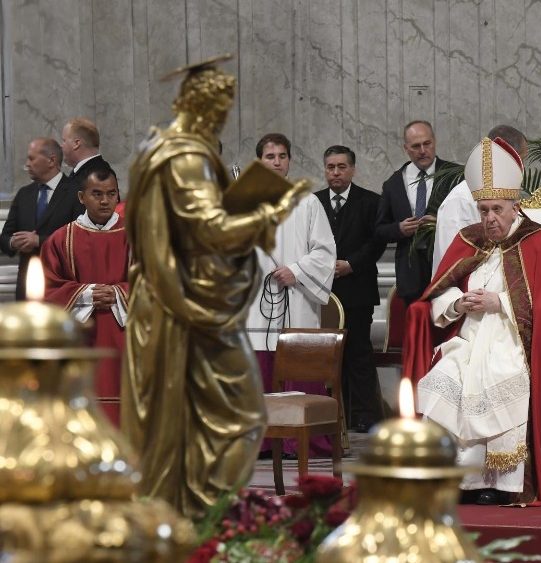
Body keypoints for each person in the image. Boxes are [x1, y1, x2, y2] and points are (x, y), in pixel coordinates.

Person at [122, 57, 310, 516]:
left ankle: (182, 507)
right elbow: (210, 229)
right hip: (182, 307)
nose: (223, 117)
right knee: (237, 412)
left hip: (169, 300)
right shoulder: (186, 158)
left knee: (178, 418)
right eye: (221, 109)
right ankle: (200, 511)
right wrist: (268, 211)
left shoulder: (158, 147)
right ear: (202, 106)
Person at [404, 138, 541, 506]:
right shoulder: (470, 240)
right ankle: (459, 480)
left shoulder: (538, 240)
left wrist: (500, 302)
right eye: (483, 210)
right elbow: (437, 292)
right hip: (468, 338)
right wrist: (458, 303)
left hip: (513, 341)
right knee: (446, 377)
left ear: (515, 206)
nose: (489, 219)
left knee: (497, 376)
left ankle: (500, 483)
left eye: (497, 209)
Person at [247, 133, 337, 455]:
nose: (276, 162)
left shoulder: (308, 202)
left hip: (296, 298)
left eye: (282, 156)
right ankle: (262, 441)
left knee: (296, 368)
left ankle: (299, 441)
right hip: (255, 304)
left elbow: (325, 252)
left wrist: (296, 271)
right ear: (259, 162)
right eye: (270, 157)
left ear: (289, 161)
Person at [41, 167, 129, 425]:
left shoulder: (137, 237)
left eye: (111, 194)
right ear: (81, 197)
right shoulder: (61, 239)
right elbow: (46, 290)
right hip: (80, 339)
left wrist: (118, 293)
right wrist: (87, 294)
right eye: (97, 194)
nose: (105, 201)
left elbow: (155, 283)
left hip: (125, 339)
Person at [315, 145, 387, 432]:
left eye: (341, 167)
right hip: (322, 292)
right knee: (327, 356)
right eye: (331, 167)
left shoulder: (371, 202)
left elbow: (377, 242)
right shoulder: (313, 202)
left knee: (359, 354)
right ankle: (330, 412)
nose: (336, 172)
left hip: (358, 290)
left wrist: (351, 264)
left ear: (352, 169)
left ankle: (365, 415)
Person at [375, 120, 460, 302]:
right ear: (406, 148)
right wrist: (399, 229)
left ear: (434, 141)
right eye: (415, 146)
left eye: (427, 143)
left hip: (448, 268)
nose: (422, 150)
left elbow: (470, 220)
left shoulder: (454, 175)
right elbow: (380, 230)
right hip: (410, 273)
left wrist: (441, 224)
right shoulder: (393, 184)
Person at [432, 125, 528, 273]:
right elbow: (452, 260)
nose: (522, 168)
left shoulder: (507, 195)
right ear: (508, 156)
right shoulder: (460, 200)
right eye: (521, 159)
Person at [0, 137, 84, 300]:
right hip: (27, 288)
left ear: (51, 160)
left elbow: (80, 240)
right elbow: (4, 237)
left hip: (62, 286)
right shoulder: (24, 194)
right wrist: (13, 242)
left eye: (31, 158)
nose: (27, 164)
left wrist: (39, 241)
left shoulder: (76, 193)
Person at [60, 117, 113, 192]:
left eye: (64, 141)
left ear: (76, 143)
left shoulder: (96, 176)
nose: (61, 146)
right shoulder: (84, 172)